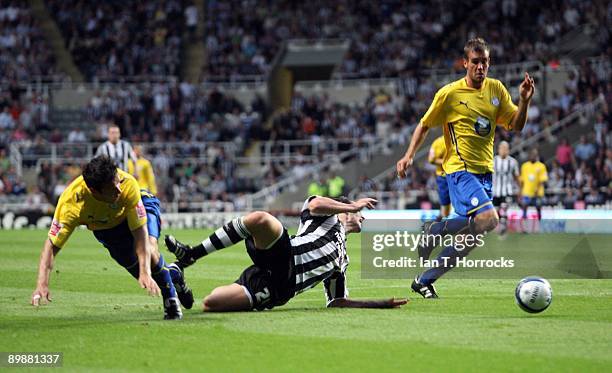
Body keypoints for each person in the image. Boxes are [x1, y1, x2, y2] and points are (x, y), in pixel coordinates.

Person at [396, 37, 535, 298]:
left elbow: (515, 125)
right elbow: (425, 124)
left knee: (471, 237)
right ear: (465, 63)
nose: (480, 67)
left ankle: (425, 278)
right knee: (489, 219)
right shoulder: (449, 94)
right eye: (475, 62)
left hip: (485, 173)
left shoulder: (496, 90)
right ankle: (436, 230)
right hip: (459, 169)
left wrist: (524, 101)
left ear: (489, 63)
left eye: (484, 62)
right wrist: (408, 155)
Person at [165, 196, 407, 311]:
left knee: (210, 304)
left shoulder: (343, 261)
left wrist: (379, 304)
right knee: (260, 219)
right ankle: (191, 254)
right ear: (344, 211)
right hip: (284, 255)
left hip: (279, 287)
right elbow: (313, 204)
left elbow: (336, 301)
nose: (362, 216)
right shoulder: (326, 218)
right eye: (358, 212)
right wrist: (351, 205)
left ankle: (182, 287)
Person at [31, 156, 193, 319]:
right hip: (107, 230)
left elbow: (140, 234)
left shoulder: (127, 184)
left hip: (141, 204)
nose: (119, 189)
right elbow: (51, 246)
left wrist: (145, 270)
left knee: (150, 251)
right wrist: (41, 283)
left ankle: (171, 301)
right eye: (112, 187)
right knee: (145, 275)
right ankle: (175, 274)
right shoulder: (71, 204)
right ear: (95, 191)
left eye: (118, 182)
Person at [492, 141, 520, 237]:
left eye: (505, 148)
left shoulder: (512, 162)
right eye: (501, 148)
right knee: (496, 211)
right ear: (498, 149)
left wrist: (520, 189)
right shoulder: (493, 161)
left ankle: (503, 228)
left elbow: (516, 176)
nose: (503, 150)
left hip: (507, 190)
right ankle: (501, 225)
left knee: (504, 208)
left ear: (508, 150)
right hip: (495, 191)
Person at [520, 149, 548, 231]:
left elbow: (543, 180)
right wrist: (520, 191)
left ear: (537, 156)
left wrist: (537, 188)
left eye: (534, 155)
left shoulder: (541, 166)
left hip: (538, 193)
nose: (533, 156)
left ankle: (539, 227)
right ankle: (525, 227)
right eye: (531, 155)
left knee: (538, 208)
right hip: (527, 192)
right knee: (524, 207)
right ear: (529, 156)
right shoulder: (525, 166)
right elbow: (522, 180)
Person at [428, 135, 451, 218]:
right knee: (445, 202)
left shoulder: (460, 139)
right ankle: (443, 218)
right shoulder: (438, 143)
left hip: (459, 174)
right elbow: (431, 159)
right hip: (443, 176)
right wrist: (446, 162)